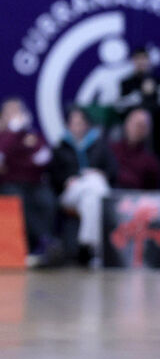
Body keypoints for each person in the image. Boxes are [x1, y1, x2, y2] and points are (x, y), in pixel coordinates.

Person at [0, 98, 58, 265]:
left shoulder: (32, 136)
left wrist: (14, 162)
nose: (15, 116)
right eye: (10, 112)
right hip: (8, 183)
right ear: (3, 117)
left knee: (47, 200)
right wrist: (13, 135)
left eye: (17, 111)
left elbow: (43, 158)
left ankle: (43, 246)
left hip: (34, 182)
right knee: (19, 202)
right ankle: (45, 242)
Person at [50, 105, 115, 267]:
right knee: (96, 185)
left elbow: (113, 170)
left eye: (80, 123)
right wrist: (67, 180)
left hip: (91, 192)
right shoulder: (60, 148)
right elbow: (53, 176)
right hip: (69, 193)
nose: (77, 127)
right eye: (74, 123)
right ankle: (95, 249)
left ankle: (88, 245)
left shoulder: (100, 146)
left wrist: (101, 174)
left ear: (87, 124)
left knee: (91, 199)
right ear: (68, 125)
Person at [111, 108, 160, 190]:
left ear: (147, 131)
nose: (136, 129)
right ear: (126, 124)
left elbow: (153, 191)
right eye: (134, 124)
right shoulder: (111, 150)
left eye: (141, 126)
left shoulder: (151, 162)